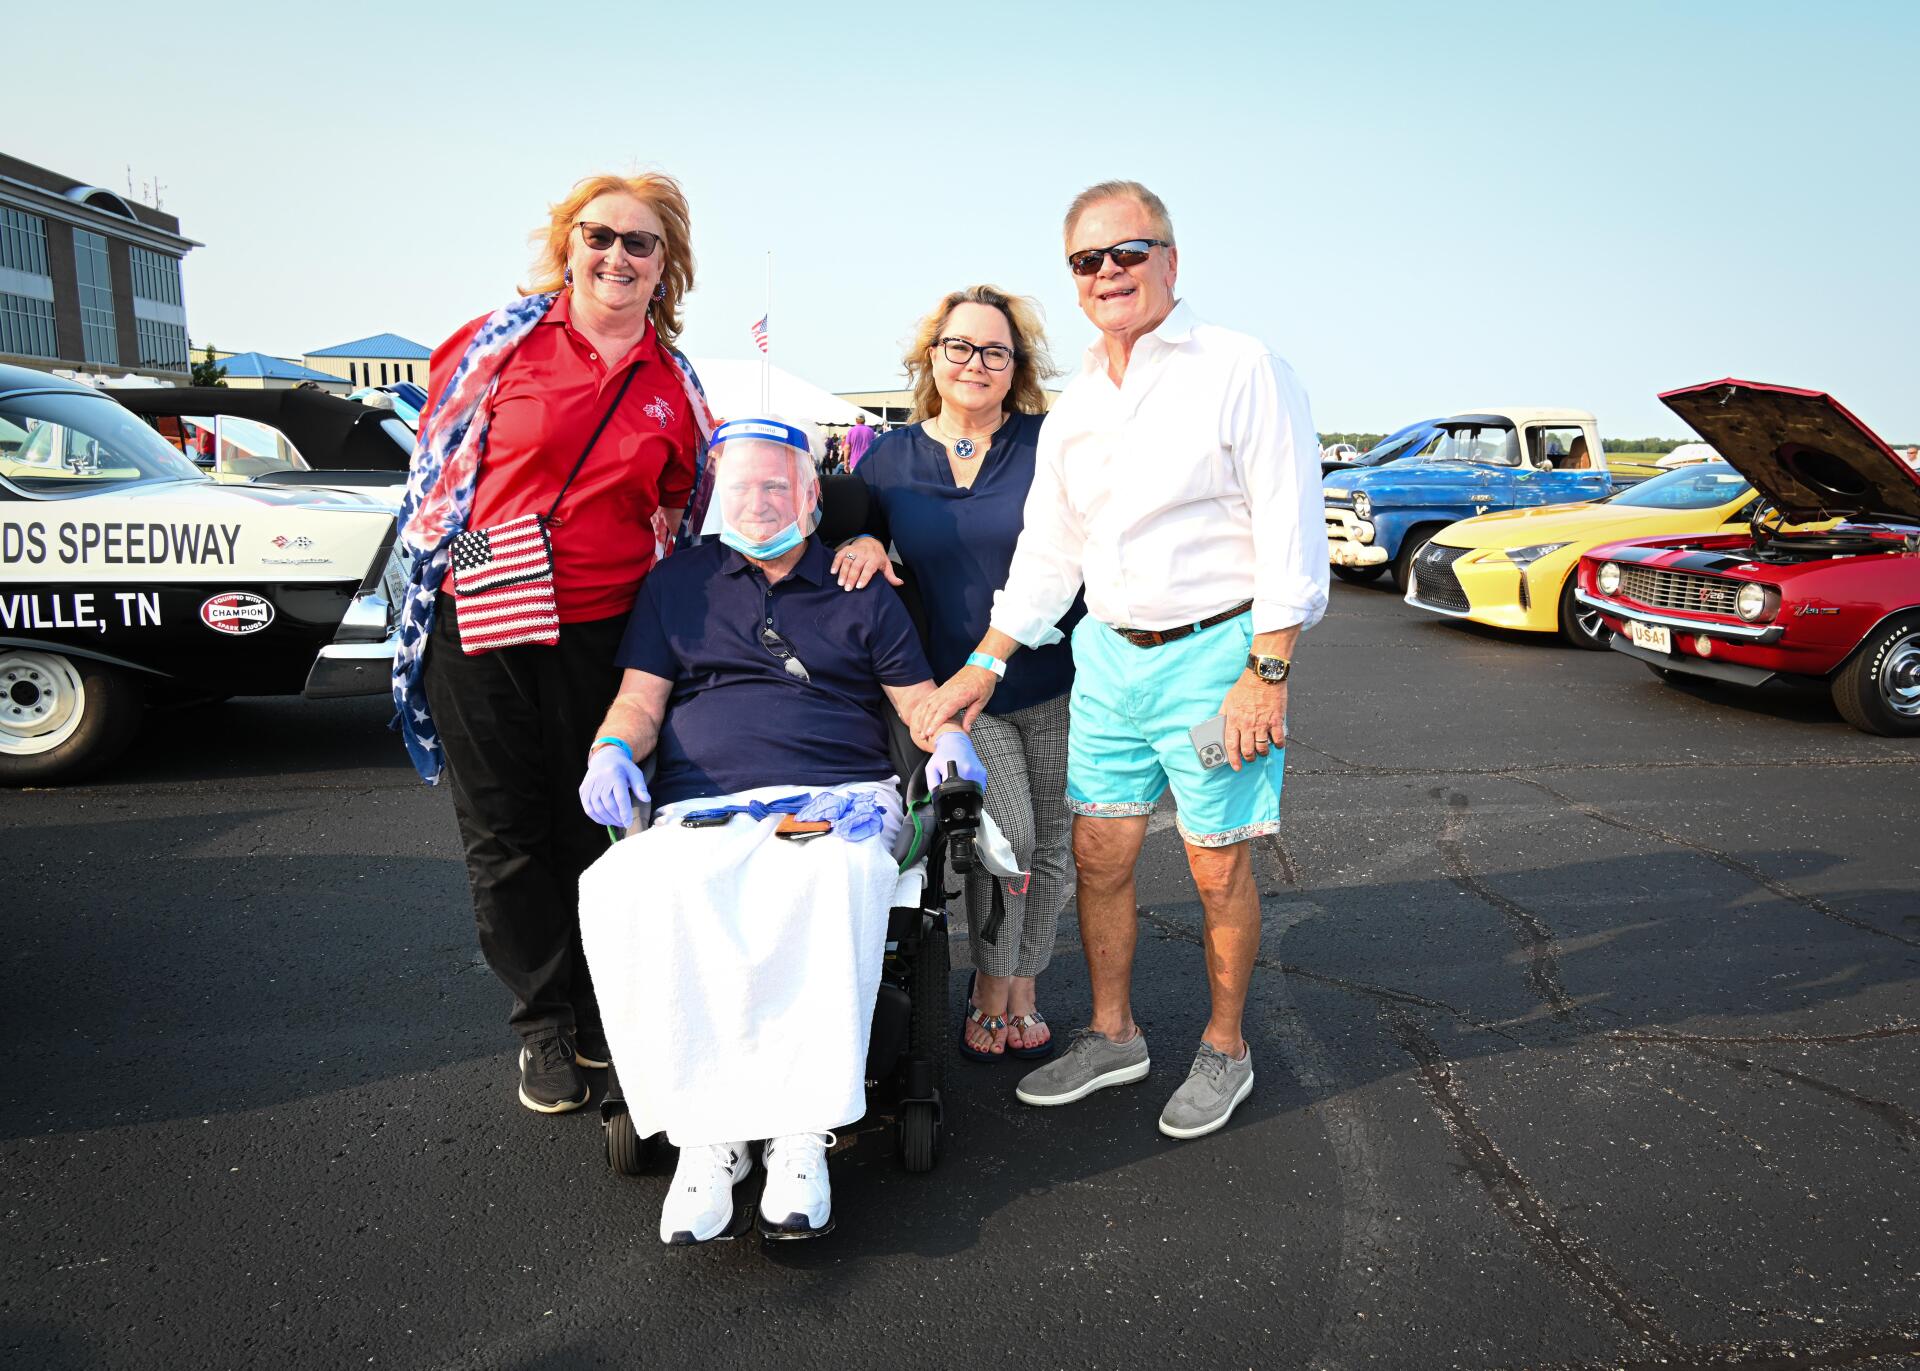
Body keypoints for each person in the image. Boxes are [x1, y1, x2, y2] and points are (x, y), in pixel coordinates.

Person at [912, 180, 1328, 1140]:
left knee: (1216, 866)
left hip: (1216, 657)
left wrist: (1266, 669)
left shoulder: (1242, 367)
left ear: (1171, 262)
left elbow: (1290, 529)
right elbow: (1049, 557)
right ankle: (1114, 1033)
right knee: (1099, 855)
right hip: (1107, 662)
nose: (1109, 273)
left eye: (1128, 252)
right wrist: (984, 663)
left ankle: (1226, 1048)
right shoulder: (1076, 409)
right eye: (1087, 261)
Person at [574, 417, 984, 1244]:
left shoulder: (858, 584)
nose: (757, 502)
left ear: (809, 495)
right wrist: (611, 749)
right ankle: (707, 1135)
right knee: (631, 883)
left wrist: (950, 742)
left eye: (776, 486)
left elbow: (914, 702)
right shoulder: (678, 583)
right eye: (741, 487)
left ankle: (801, 1134)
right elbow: (641, 700)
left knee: (823, 878)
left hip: (835, 798)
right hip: (703, 801)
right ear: (718, 496)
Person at [391, 172, 714, 1117]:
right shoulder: (498, 345)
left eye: (641, 243)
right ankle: (542, 1020)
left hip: (603, 632)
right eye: (599, 235)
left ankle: (602, 1008)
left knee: (598, 828)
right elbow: (436, 471)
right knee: (504, 831)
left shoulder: (676, 386)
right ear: (569, 244)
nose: (617, 255)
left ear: (668, 267)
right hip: (484, 624)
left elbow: (686, 512)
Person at [832, 285, 1078, 1060]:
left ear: (1016, 367)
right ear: (931, 358)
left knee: (1057, 846)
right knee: (1010, 838)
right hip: (958, 694)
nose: (975, 363)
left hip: (1060, 681)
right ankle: (992, 980)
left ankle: (1023, 982)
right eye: (959, 347)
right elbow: (858, 538)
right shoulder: (890, 459)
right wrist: (870, 545)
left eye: (995, 351)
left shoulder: (1049, 443)